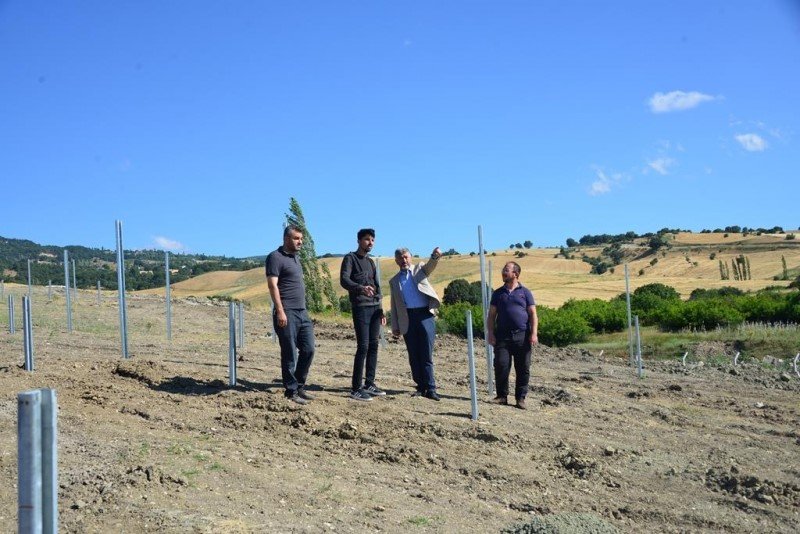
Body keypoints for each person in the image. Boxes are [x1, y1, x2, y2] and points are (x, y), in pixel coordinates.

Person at [265, 225, 316, 405]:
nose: (300, 242)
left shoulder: (296, 259)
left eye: (301, 239)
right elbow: (273, 285)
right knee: (289, 353)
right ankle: (291, 390)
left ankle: (299, 385)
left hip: (302, 312)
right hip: (286, 312)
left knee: (309, 349)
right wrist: (280, 310)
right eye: (296, 238)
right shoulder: (275, 257)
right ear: (286, 238)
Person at [389, 246, 442, 401]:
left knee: (426, 353)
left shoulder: (419, 269)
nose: (403, 260)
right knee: (413, 354)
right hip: (408, 318)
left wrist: (435, 256)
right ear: (396, 261)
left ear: (410, 257)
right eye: (400, 258)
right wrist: (395, 326)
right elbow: (394, 305)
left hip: (425, 315)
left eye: (406, 257)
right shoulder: (394, 281)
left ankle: (431, 388)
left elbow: (430, 266)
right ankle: (420, 386)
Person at [340, 228, 386, 402]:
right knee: (363, 346)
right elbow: (344, 280)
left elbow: (377, 286)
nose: (370, 242)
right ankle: (356, 388)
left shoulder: (371, 262)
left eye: (372, 240)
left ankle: (369, 383)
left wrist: (381, 309)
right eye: (367, 239)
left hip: (375, 309)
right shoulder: (350, 259)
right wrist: (360, 288)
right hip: (360, 308)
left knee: (374, 346)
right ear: (359, 241)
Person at [487, 261, 538, 410]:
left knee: (523, 368)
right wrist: (490, 333)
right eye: (503, 269)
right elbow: (491, 316)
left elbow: (533, 314)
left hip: (522, 336)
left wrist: (534, 333)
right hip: (502, 336)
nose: (503, 272)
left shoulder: (525, 292)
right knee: (501, 365)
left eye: (507, 270)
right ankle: (502, 396)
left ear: (515, 274)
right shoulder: (497, 293)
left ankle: (520, 399)